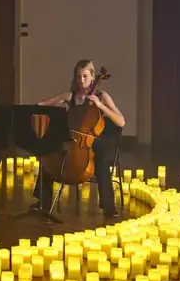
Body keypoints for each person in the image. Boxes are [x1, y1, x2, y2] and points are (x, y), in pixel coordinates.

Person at [33, 59, 124, 219]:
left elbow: (121, 121)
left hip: (95, 140)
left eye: (85, 76)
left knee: (101, 159)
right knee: (50, 153)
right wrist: (35, 107)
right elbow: (46, 103)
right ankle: (43, 199)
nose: (82, 80)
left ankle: (109, 206)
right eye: (79, 77)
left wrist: (101, 107)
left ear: (92, 76)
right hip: (73, 138)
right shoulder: (71, 96)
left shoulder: (102, 96)